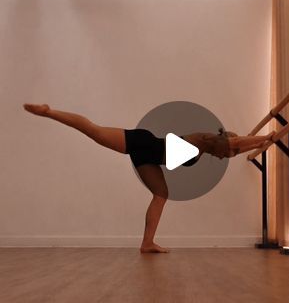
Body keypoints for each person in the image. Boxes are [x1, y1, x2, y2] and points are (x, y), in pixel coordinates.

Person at [23, 104, 273, 254]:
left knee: (161, 195)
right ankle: (49, 112)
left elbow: (237, 147)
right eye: (228, 152)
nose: (227, 156)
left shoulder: (205, 147)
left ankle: (147, 243)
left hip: (149, 157)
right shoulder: (204, 140)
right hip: (142, 142)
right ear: (223, 142)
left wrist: (258, 143)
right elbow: (237, 145)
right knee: (94, 130)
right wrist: (267, 138)